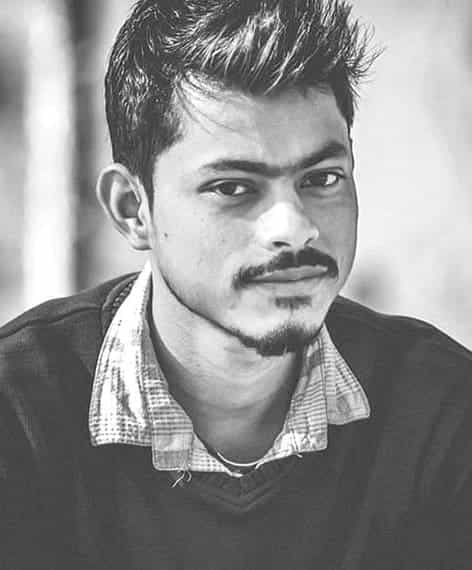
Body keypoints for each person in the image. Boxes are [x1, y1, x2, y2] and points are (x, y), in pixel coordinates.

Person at [1, 0, 472, 568]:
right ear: (133, 209)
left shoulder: (444, 411)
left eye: (322, 178)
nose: (293, 227)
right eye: (233, 187)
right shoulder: (19, 411)